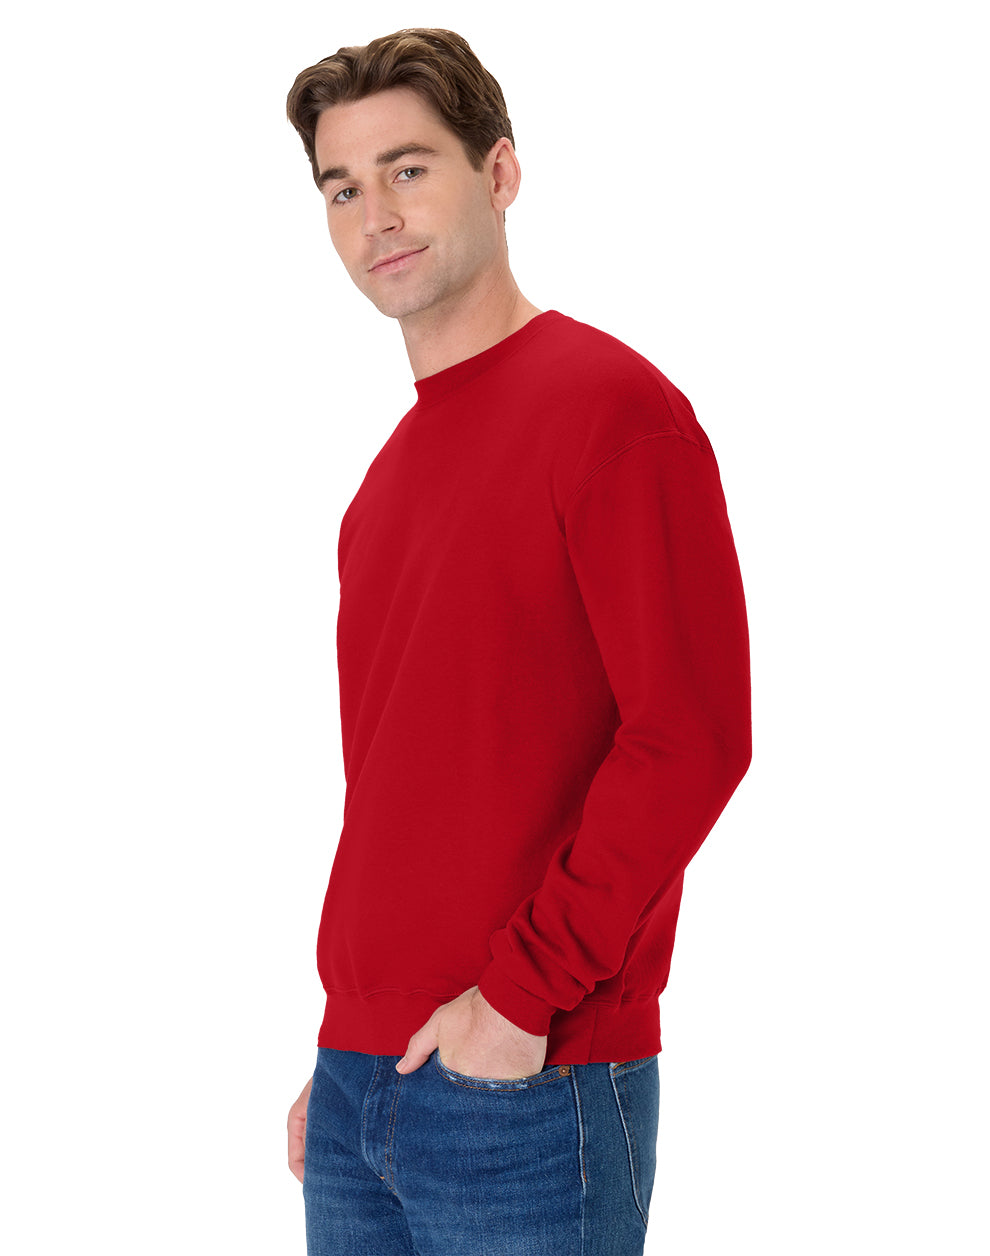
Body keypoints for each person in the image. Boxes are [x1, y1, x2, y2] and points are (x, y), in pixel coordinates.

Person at [284, 27, 751, 1256]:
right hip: (359, 1079)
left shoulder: (614, 411)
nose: (377, 215)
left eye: (408, 168)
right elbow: (402, 791)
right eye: (342, 187)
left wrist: (518, 998)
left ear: (499, 173)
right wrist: (347, 1041)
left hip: (531, 1081)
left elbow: (691, 736)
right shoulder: (382, 486)